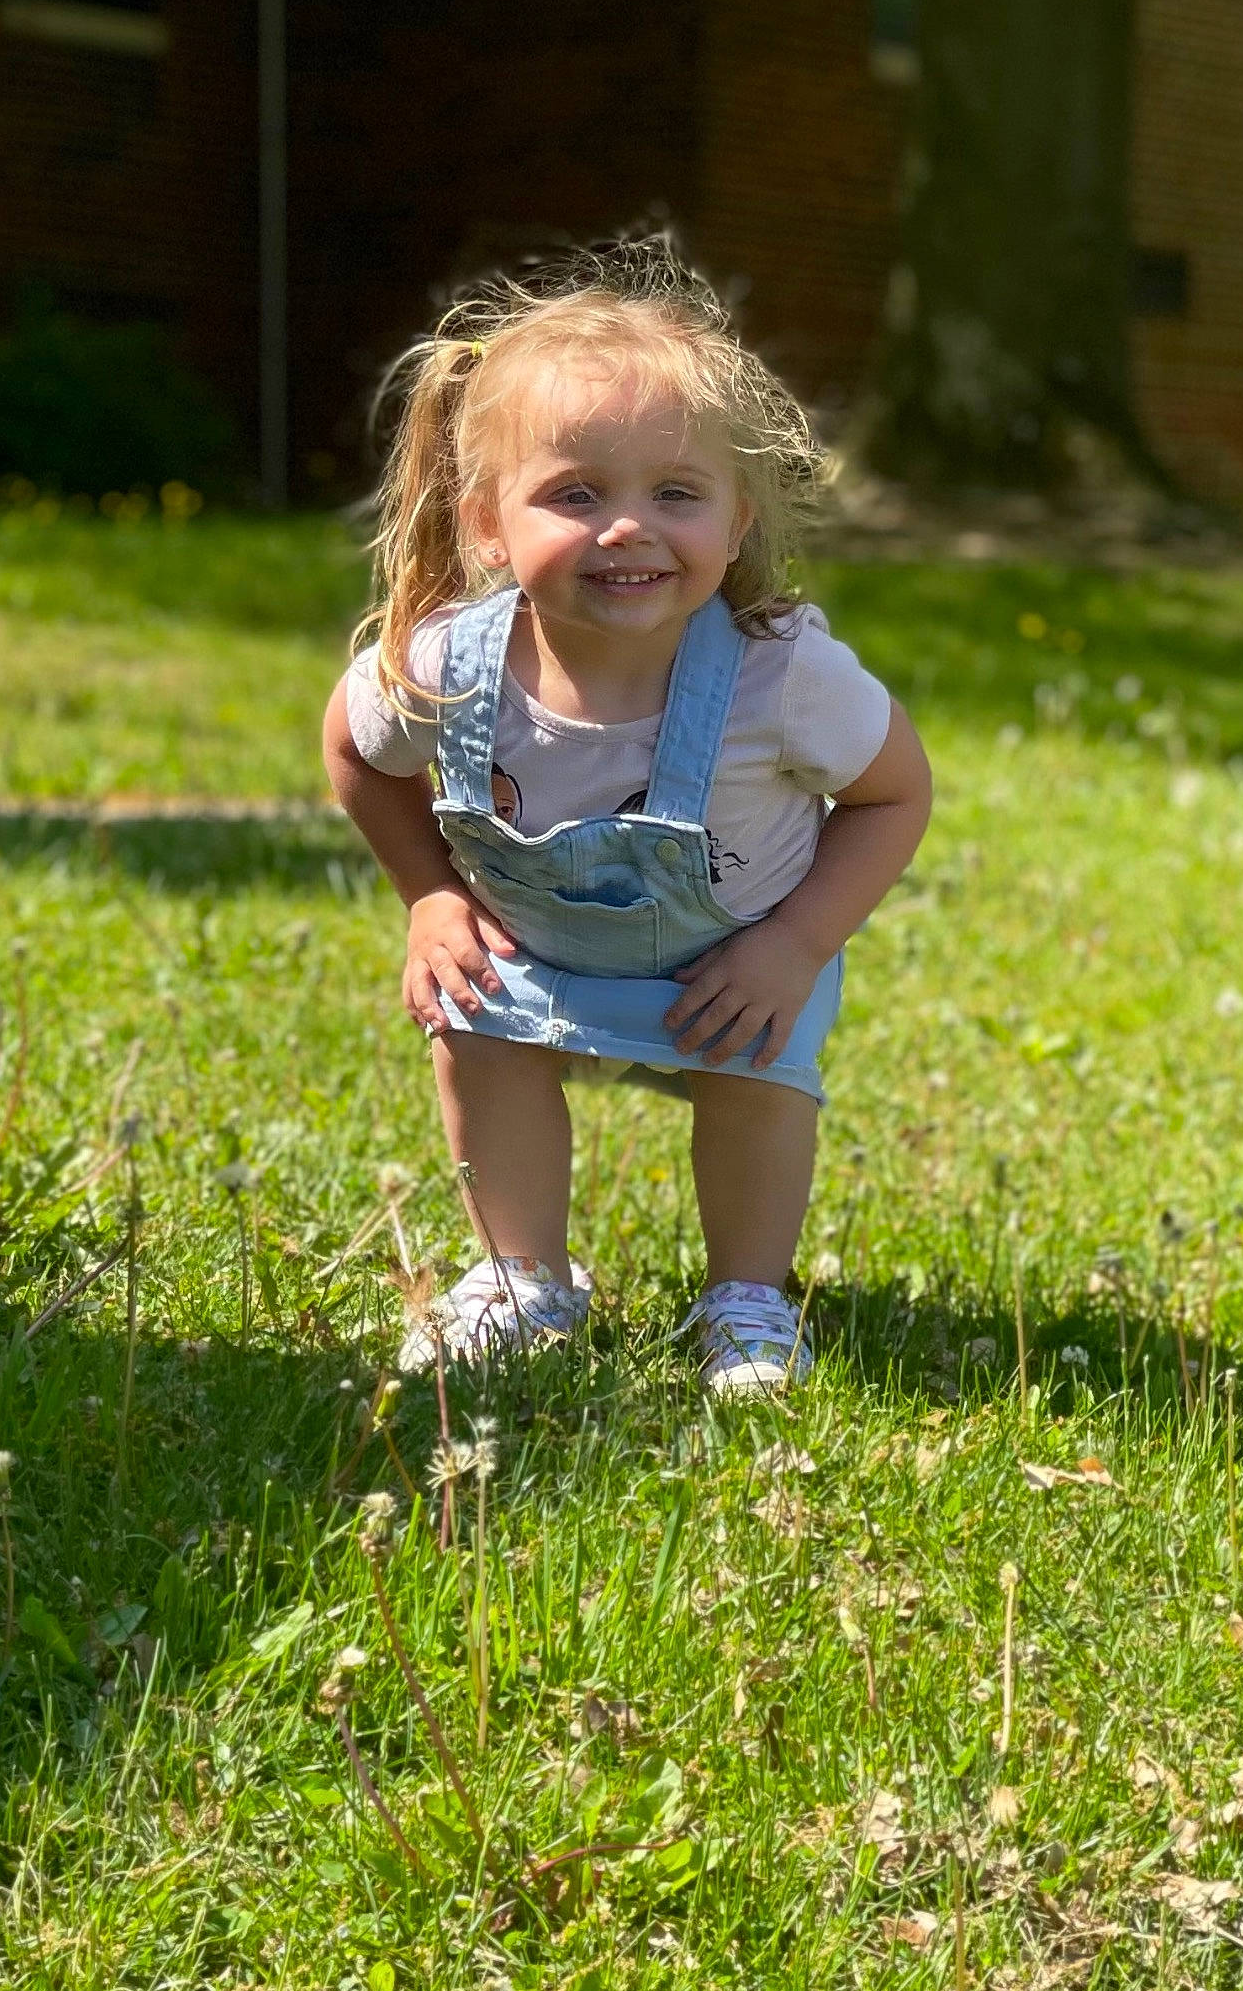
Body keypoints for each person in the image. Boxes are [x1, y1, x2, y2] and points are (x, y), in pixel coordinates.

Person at [322, 239, 932, 1395]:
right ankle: (520, 1273)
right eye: (575, 493)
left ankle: (746, 1294)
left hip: (734, 965)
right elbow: (354, 748)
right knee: (478, 1032)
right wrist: (432, 895)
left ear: (738, 516)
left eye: (675, 494)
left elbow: (895, 791)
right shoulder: (454, 661)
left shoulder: (778, 674)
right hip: (535, 952)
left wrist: (793, 945)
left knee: (754, 1089)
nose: (628, 527)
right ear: (488, 523)